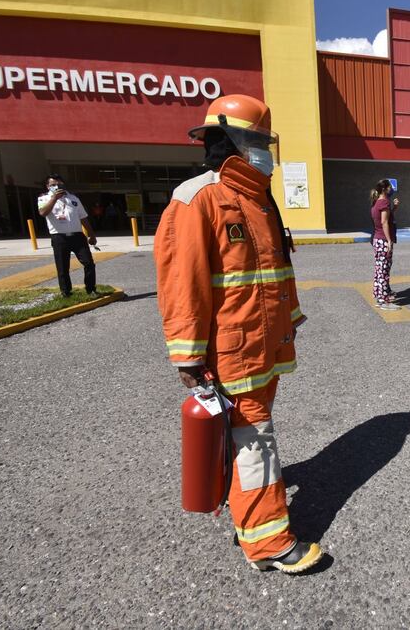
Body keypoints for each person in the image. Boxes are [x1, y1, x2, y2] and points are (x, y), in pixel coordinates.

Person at [154, 94, 323, 574]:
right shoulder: (198, 199)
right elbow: (180, 284)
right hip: (233, 353)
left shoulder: (257, 199)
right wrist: (187, 358)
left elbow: (273, 274)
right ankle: (268, 543)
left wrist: (289, 321)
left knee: (250, 436)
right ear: (234, 142)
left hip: (263, 348)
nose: (266, 150)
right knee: (255, 443)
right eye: (259, 141)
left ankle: (247, 506)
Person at [37, 175, 98, 297]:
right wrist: (54, 198)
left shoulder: (73, 198)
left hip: (77, 236)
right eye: (53, 184)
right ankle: (66, 292)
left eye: (59, 184)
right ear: (48, 186)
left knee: (89, 263)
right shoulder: (44, 198)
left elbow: (83, 218)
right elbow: (43, 213)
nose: (57, 186)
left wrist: (91, 235)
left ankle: (91, 289)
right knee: (63, 267)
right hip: (59, 237)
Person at [370, 179, 400, 310]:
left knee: (380, 270)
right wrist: (389, 241)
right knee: (383, 271)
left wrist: (395, 208)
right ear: (385, 189)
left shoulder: (377, 202)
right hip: (383, 240)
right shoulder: (384, 202)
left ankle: (379, 295)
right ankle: (384, 302)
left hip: (378, 239)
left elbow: (386, 218)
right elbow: (384, 222)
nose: (391, 189)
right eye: (389, 187)